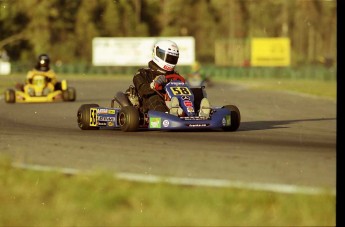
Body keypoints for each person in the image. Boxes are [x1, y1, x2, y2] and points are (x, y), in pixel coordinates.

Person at [133, 40, 210, 117]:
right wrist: (153, 84)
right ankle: (168, 115)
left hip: (174, 101)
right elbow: (142, 89)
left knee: (197, 92)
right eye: (169, 58)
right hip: (150, 105)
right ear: (158, 54)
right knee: (154, 98)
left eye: (173, 59)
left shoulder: (175, 75)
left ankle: (199, 112)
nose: (171, 61)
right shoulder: (143, 73)